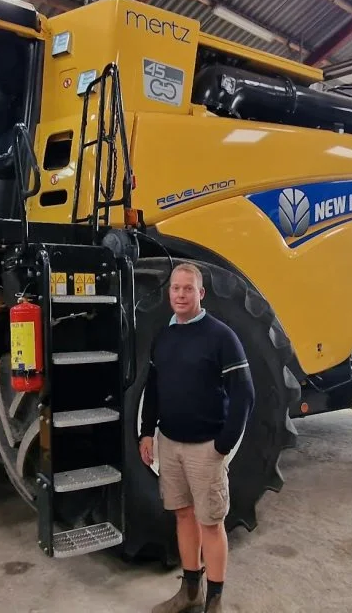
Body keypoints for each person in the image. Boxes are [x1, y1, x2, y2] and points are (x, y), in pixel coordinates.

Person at [139, 263, 256, 613]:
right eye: (175, 288)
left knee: (211, 522)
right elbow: (153, 389)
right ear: (169, 292)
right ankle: (191, 591)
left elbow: (244, 394)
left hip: (206, 448)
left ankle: (215, 599)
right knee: (183, 515)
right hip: (170, 445)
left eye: (187, 289)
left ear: (200, 293)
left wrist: (223, 444)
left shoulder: (220, 336)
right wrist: (147, 433)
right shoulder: (164, 336)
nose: (180, 294)